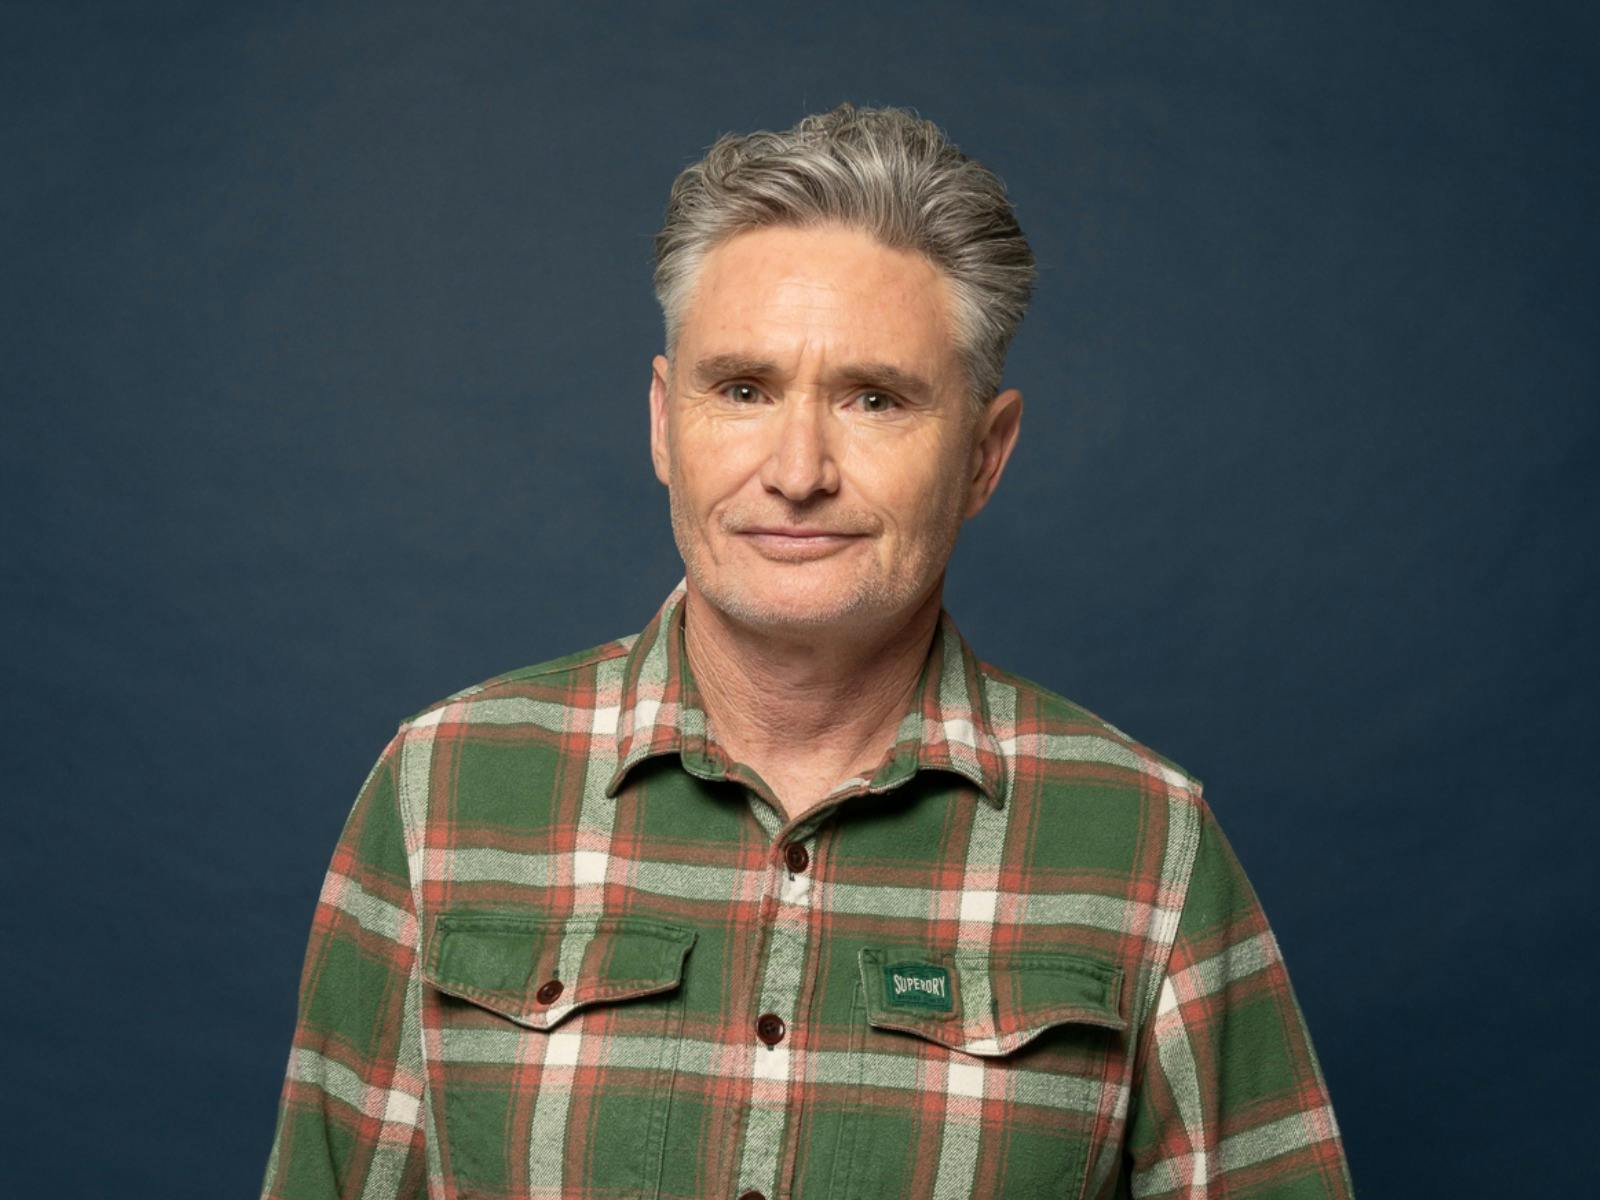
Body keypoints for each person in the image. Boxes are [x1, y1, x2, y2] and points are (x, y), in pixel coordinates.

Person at [260, 102, 1354, 1200]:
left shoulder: (1146, 844)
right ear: (660, 422)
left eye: (874, 400)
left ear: (983, 454)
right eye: (742, 390)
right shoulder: (441, 791)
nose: (796, 470)